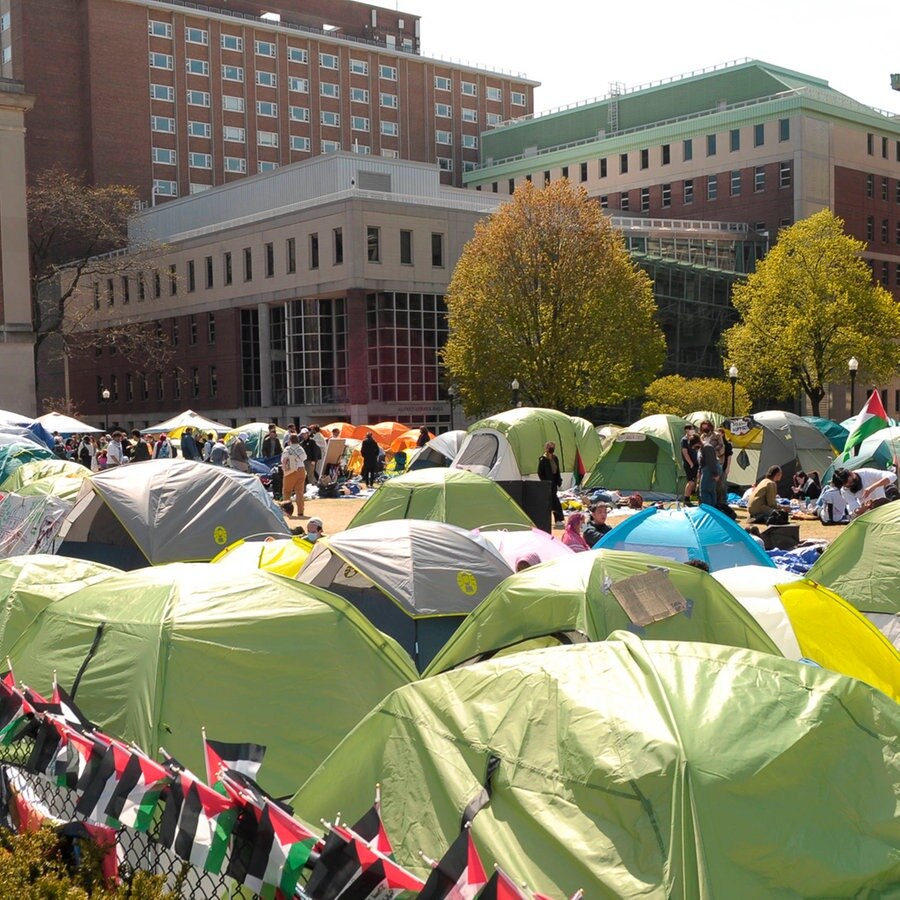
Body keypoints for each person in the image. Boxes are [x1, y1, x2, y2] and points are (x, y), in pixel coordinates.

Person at [537, 441, 564, 527]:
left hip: (554, 483)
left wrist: (558, 481)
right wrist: (545, 482)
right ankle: (549, 520)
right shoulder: (543, 459)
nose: (552, 448)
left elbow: (557, 470)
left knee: (554, 501)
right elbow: (540, 472)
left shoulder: (555, 458)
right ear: (546, 448)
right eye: (550, 447)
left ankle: (558, 519)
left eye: (553, 446)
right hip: (547, 484)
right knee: (551, 502)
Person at [281, 433, 308, 517]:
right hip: (301, 469)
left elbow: (283, 460)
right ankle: (300, 512)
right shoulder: (301, 448)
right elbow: (304, 458)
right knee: (299, 492)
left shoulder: (287, 449)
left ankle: (286, 511)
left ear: (289, 440)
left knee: (287, 491)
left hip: (291, 470)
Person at [715, 426, 733, 508]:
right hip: (716, 467)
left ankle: (723, 502)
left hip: (724, 466)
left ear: (723, 434)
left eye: (720, 433)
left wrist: (728, 468)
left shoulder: (727, 445)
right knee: (716, 485)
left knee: (722, 485)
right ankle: (716, 501)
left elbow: (729, 456)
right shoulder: (715, 444)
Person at [680, 425, 697, 506]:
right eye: (690, 429)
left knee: (694, 482)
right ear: (686, 430)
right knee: (691, 481)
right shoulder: (684, 440)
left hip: (696, 462)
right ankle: (686, 500)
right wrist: (690, 463)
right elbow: (685, 452)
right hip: (689, 464)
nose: (692, 431)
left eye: (693, 429)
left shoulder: (694, 438)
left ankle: (691, 497)